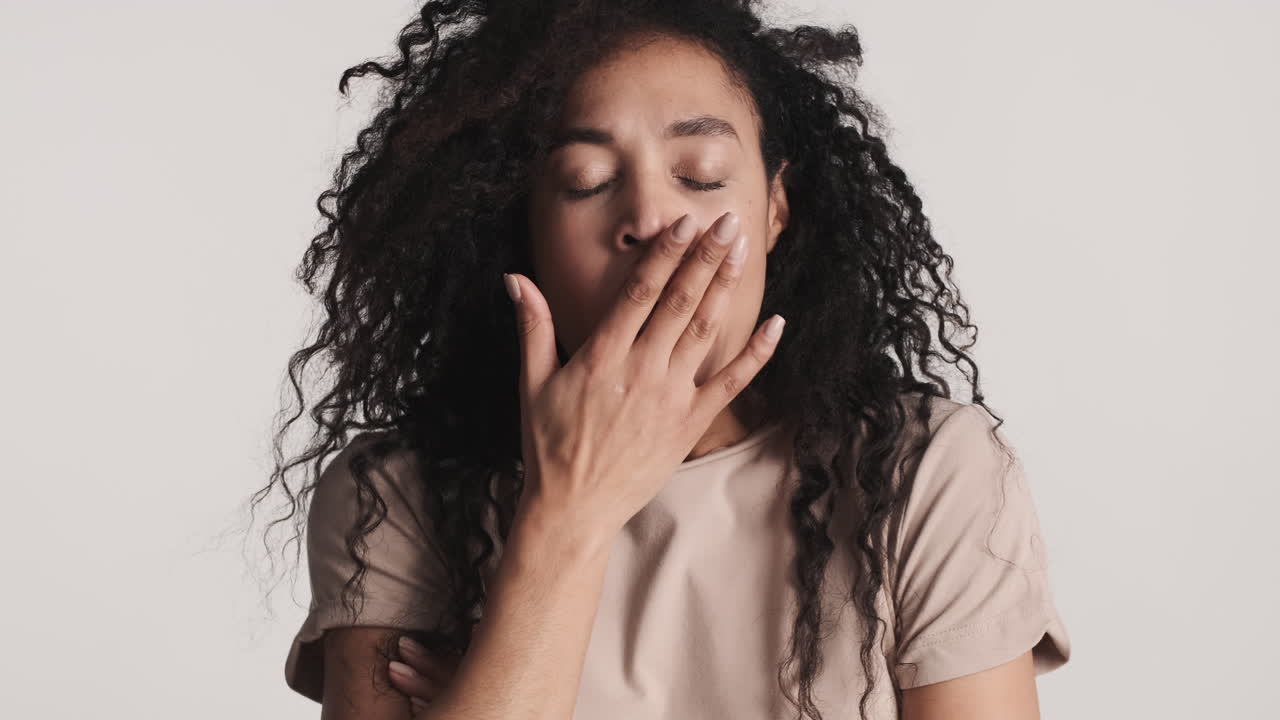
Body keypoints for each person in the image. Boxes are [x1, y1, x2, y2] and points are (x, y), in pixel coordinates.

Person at [252, 1, 1073, 718]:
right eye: (584, 181)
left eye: (701, 174)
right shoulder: (396, 496)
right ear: (520, 232)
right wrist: (566, 520)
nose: (651, 216)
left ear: (776, 206)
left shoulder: (926, 472)